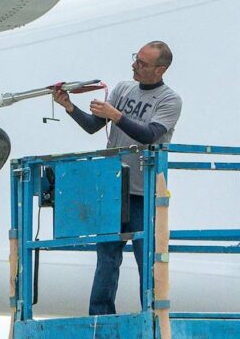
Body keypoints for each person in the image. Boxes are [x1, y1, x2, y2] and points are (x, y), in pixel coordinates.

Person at [53, 41, 183, 315]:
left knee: (146, 258)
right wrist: (69, 107)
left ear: (160, 70)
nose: (135, 65)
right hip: (113, 188)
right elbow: (93, 126)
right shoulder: (124, 88)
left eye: (143, 63)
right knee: (107, 257)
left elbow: (149, 135)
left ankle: (151, 316)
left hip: (144, 191)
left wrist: (116, 115)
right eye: (136, 59)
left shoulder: (170, 100)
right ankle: (100, 316)